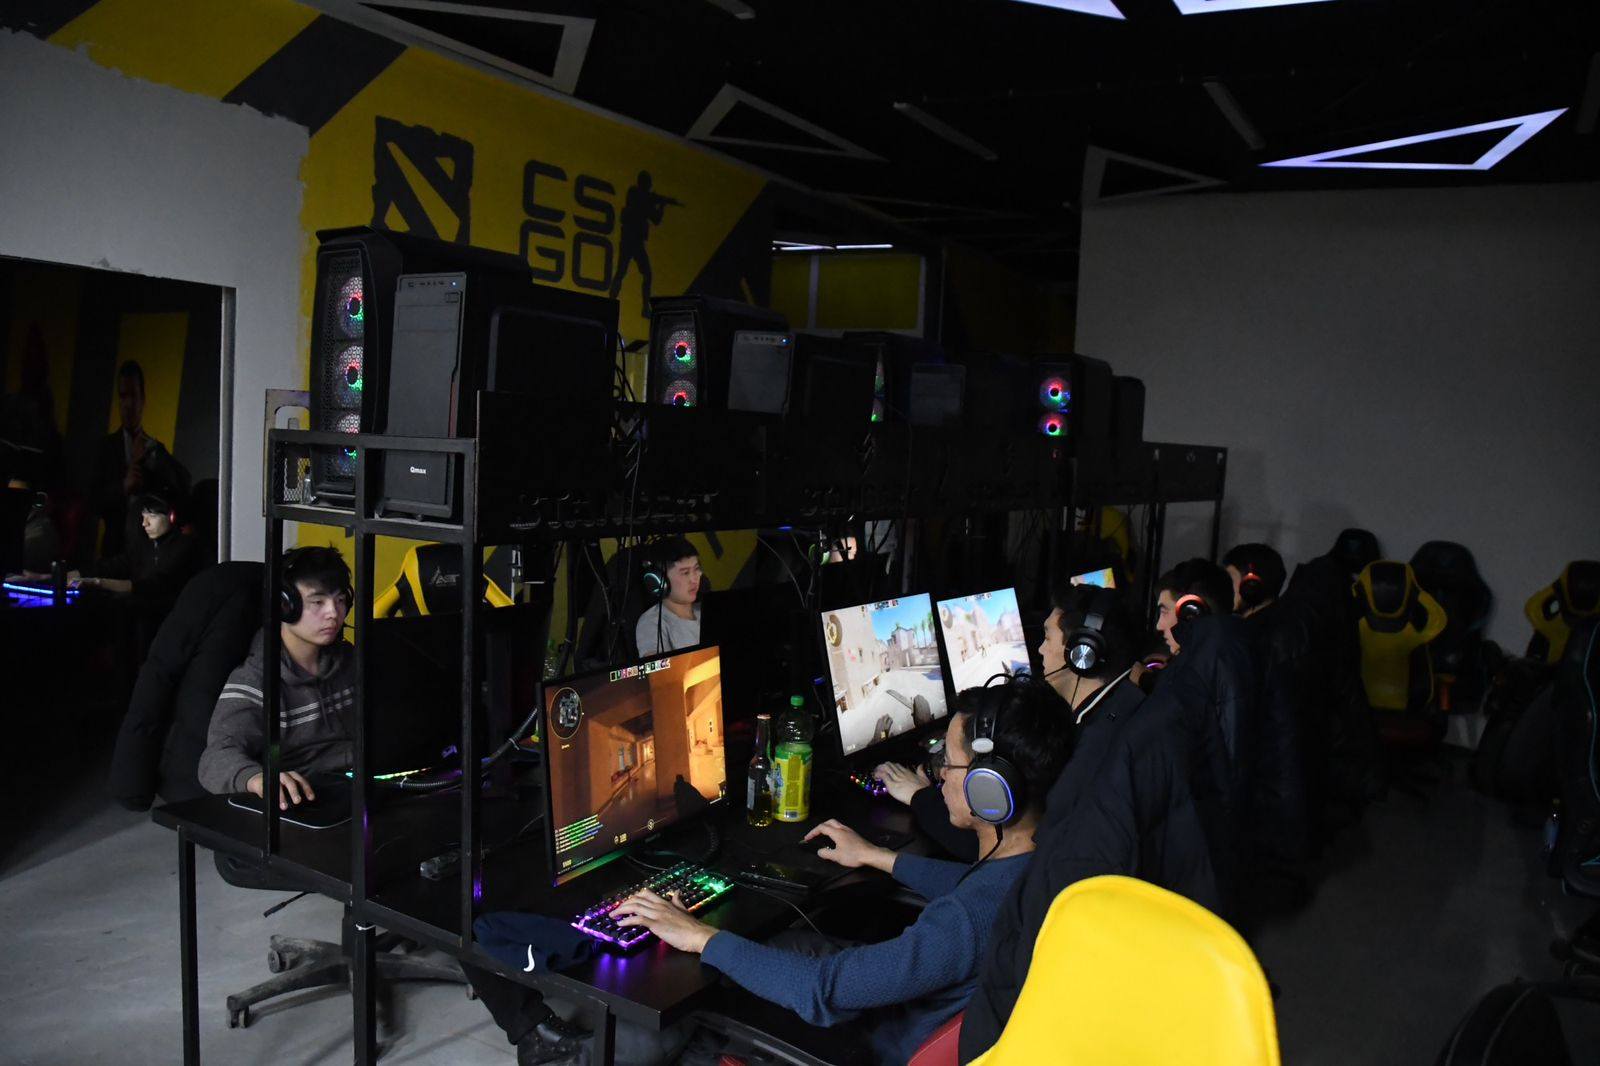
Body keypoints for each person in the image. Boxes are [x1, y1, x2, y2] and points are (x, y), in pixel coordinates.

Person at [613, 679, 1077, 1066]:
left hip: (868, 1042)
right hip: (894, 1001)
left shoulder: (964, 920)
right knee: (783, 944)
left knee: (709, 1000)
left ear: (990, 787)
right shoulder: (1046, 863)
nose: (938, 776)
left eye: (948, 764)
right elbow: (968, 886)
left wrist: (699, 935)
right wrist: (879, 857)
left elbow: (823, 989)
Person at [875, 579, 1146, 860]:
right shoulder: (1121, 710)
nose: (1039, 650)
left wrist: (919, 797)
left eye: (1047, 638)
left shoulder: (1091, 751)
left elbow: (1010, 849)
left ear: (1082, 654)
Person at [197, 546, 358, 805]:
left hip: (358, 785)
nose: (333, 613)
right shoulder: (256, 681)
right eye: (318, 602)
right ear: (285, 605)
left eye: (340, 600)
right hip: (304, 798)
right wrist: (257, 779)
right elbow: (215, 758)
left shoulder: (350, 662)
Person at [91, 360, 187, 560]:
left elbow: (183, 484)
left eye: (133, 395)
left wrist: (158, 462)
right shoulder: (105, 448)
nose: (127, 404)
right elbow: (92, 501)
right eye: (122, 396)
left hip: (150, 554)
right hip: (114, 552)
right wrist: (123, 487)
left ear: (142, 399)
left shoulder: (156, 450)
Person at [68, 492, 198, 603]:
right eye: (143, 517)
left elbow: (156, 584)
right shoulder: (146, 545)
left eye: (152, 516)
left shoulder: (185, 546)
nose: (144, 523)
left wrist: (98, 583)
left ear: (172, 517)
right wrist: (76, 574)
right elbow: (117, 564)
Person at [633, 537, 702, 656]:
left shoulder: (705, 609)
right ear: (660, 580)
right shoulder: (652, 623)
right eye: (685, 573)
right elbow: (658, 667)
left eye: (696, 569)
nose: (694, 579)